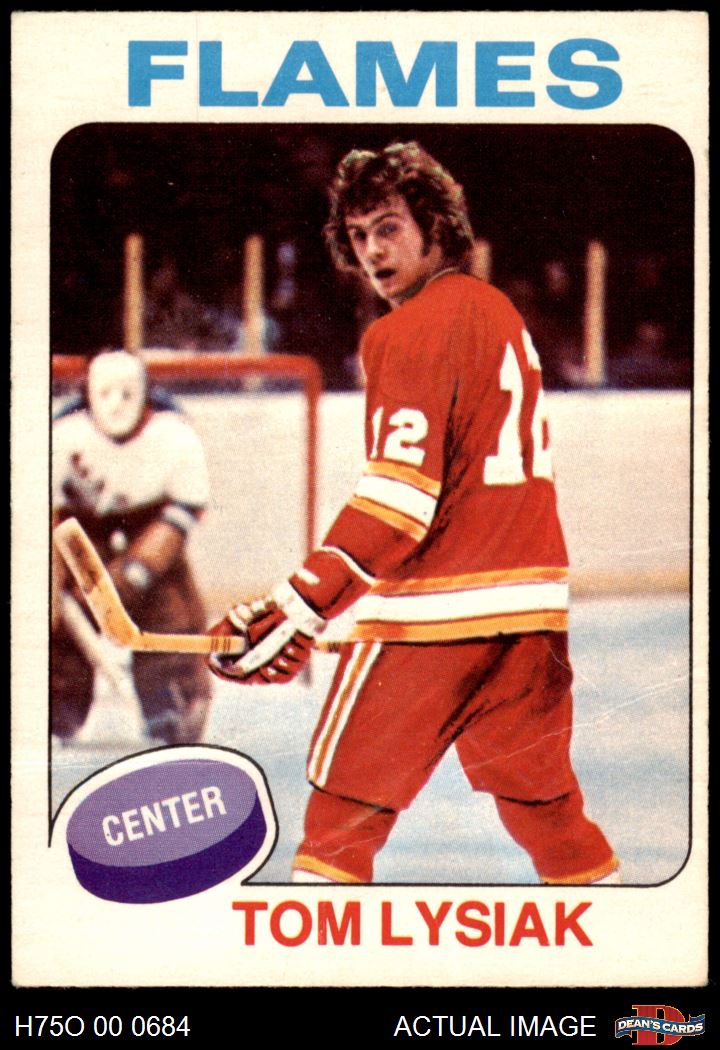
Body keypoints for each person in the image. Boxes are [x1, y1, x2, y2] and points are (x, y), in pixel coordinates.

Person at [208, 142, 619, 886]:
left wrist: (299, 605)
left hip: (432, 622)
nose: (372, 251)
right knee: (551, 820)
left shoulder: (406, 329)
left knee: (338, 826)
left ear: (437, 226)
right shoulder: (498, 312)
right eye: (359, 235)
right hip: (530, 623)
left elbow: (398, 503)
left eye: (390, 228)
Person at [52, 349, 212, 744]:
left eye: (127, 392)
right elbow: (47, 516)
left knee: (174, 615)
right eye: (104, 392)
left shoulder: (177, 436)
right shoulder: (61, 436)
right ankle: (56, 703)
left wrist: (134, 573)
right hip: (78, 534)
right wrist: (52, 584)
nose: (116, 405)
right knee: (53, 621)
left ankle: (171, 700)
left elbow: (180, 517)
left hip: (152, 536)